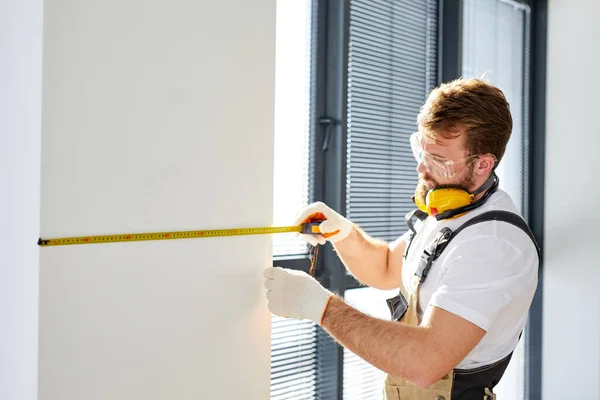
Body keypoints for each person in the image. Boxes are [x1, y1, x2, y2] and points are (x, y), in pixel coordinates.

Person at [263, 78, 539, 400]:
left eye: (438, 159)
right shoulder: (447, 212)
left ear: (482, 165)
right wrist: (345, 234)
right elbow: (385, 268)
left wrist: (322, 308)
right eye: (421, 149)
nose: (422, 168)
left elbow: (426, 362)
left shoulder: (492, 244)